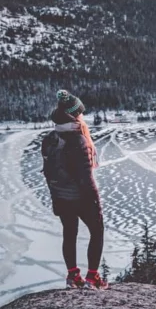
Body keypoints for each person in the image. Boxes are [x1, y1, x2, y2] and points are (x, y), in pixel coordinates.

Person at [41, 90, 107, 289]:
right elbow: (85, 178)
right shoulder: (79, 141)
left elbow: (48, 173)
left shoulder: (50, 139)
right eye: (81, 113)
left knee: (69, 233)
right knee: (97, 230)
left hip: (61, 196)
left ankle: (73, 276)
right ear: (76, 116)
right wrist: (95, 201)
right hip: (80, 198)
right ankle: (92, 277)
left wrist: (55, 197)